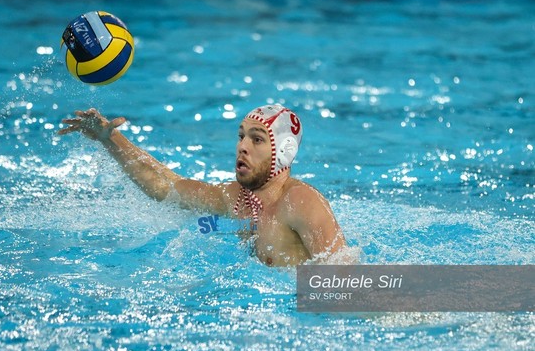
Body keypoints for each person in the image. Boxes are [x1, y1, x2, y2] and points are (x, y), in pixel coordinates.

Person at [58, 104, 348, 266]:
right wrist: (110, 139)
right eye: (241, 135)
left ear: (283, 152)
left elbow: (348, 280)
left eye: (256, 139)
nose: (242, 147)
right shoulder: (237, 198)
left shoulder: (300, 202)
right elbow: (166, 187)